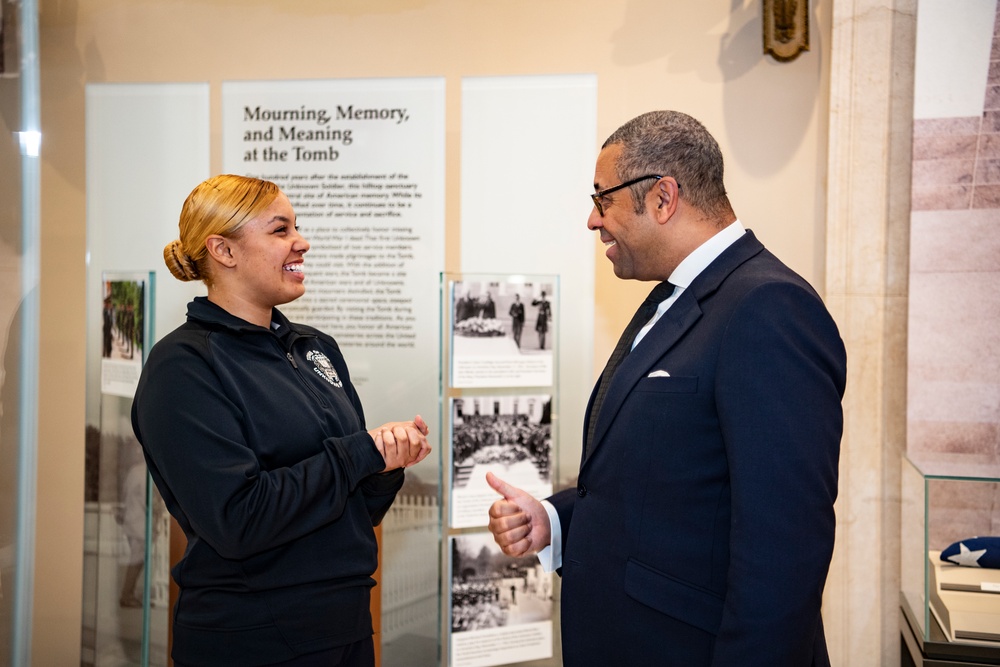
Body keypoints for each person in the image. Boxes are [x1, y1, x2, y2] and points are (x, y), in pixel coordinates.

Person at [486, 111, 846, 666]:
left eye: (601, 199)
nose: (591, 220)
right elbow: (667, 488)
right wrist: (555, 519)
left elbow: (785, 548)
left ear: (662, 197)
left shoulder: (768, 308)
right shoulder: (670, 297)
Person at [131, 174, 431, 667]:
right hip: (252, 640)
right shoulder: (183, 368)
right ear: (223, 250)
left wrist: (383, 467)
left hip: (345, 628)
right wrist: (360, 453)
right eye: (280, 230)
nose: (302, 241)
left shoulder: (315, 347)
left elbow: (348, 510)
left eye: (297, 226)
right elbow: (238, 520)